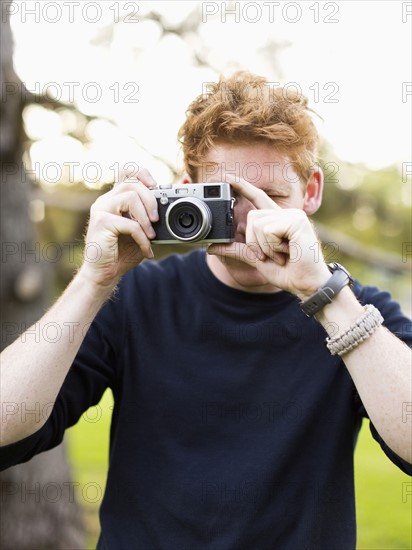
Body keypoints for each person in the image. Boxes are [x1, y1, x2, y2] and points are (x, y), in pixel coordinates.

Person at [1, 71, 411, 550]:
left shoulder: (355, 311)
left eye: (273, 198)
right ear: (185, 191)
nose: (248, 222)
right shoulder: (136, 298)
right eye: (226, 199)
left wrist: (322, 294)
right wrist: (94, 280)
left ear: (312, 191)